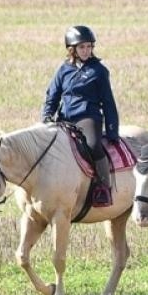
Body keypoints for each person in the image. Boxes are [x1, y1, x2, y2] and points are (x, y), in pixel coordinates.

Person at [41, 26, 120, 192]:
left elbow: (108, 103)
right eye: (82, 47)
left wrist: (112, 131)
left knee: (92, 145)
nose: (86, 51)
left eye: (89, 47)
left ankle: (104, 187)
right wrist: (47, 115)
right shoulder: (64, 69)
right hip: (63, 119)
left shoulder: (99, 71)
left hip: (88, 117)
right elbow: (53, 95)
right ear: (73, 49)